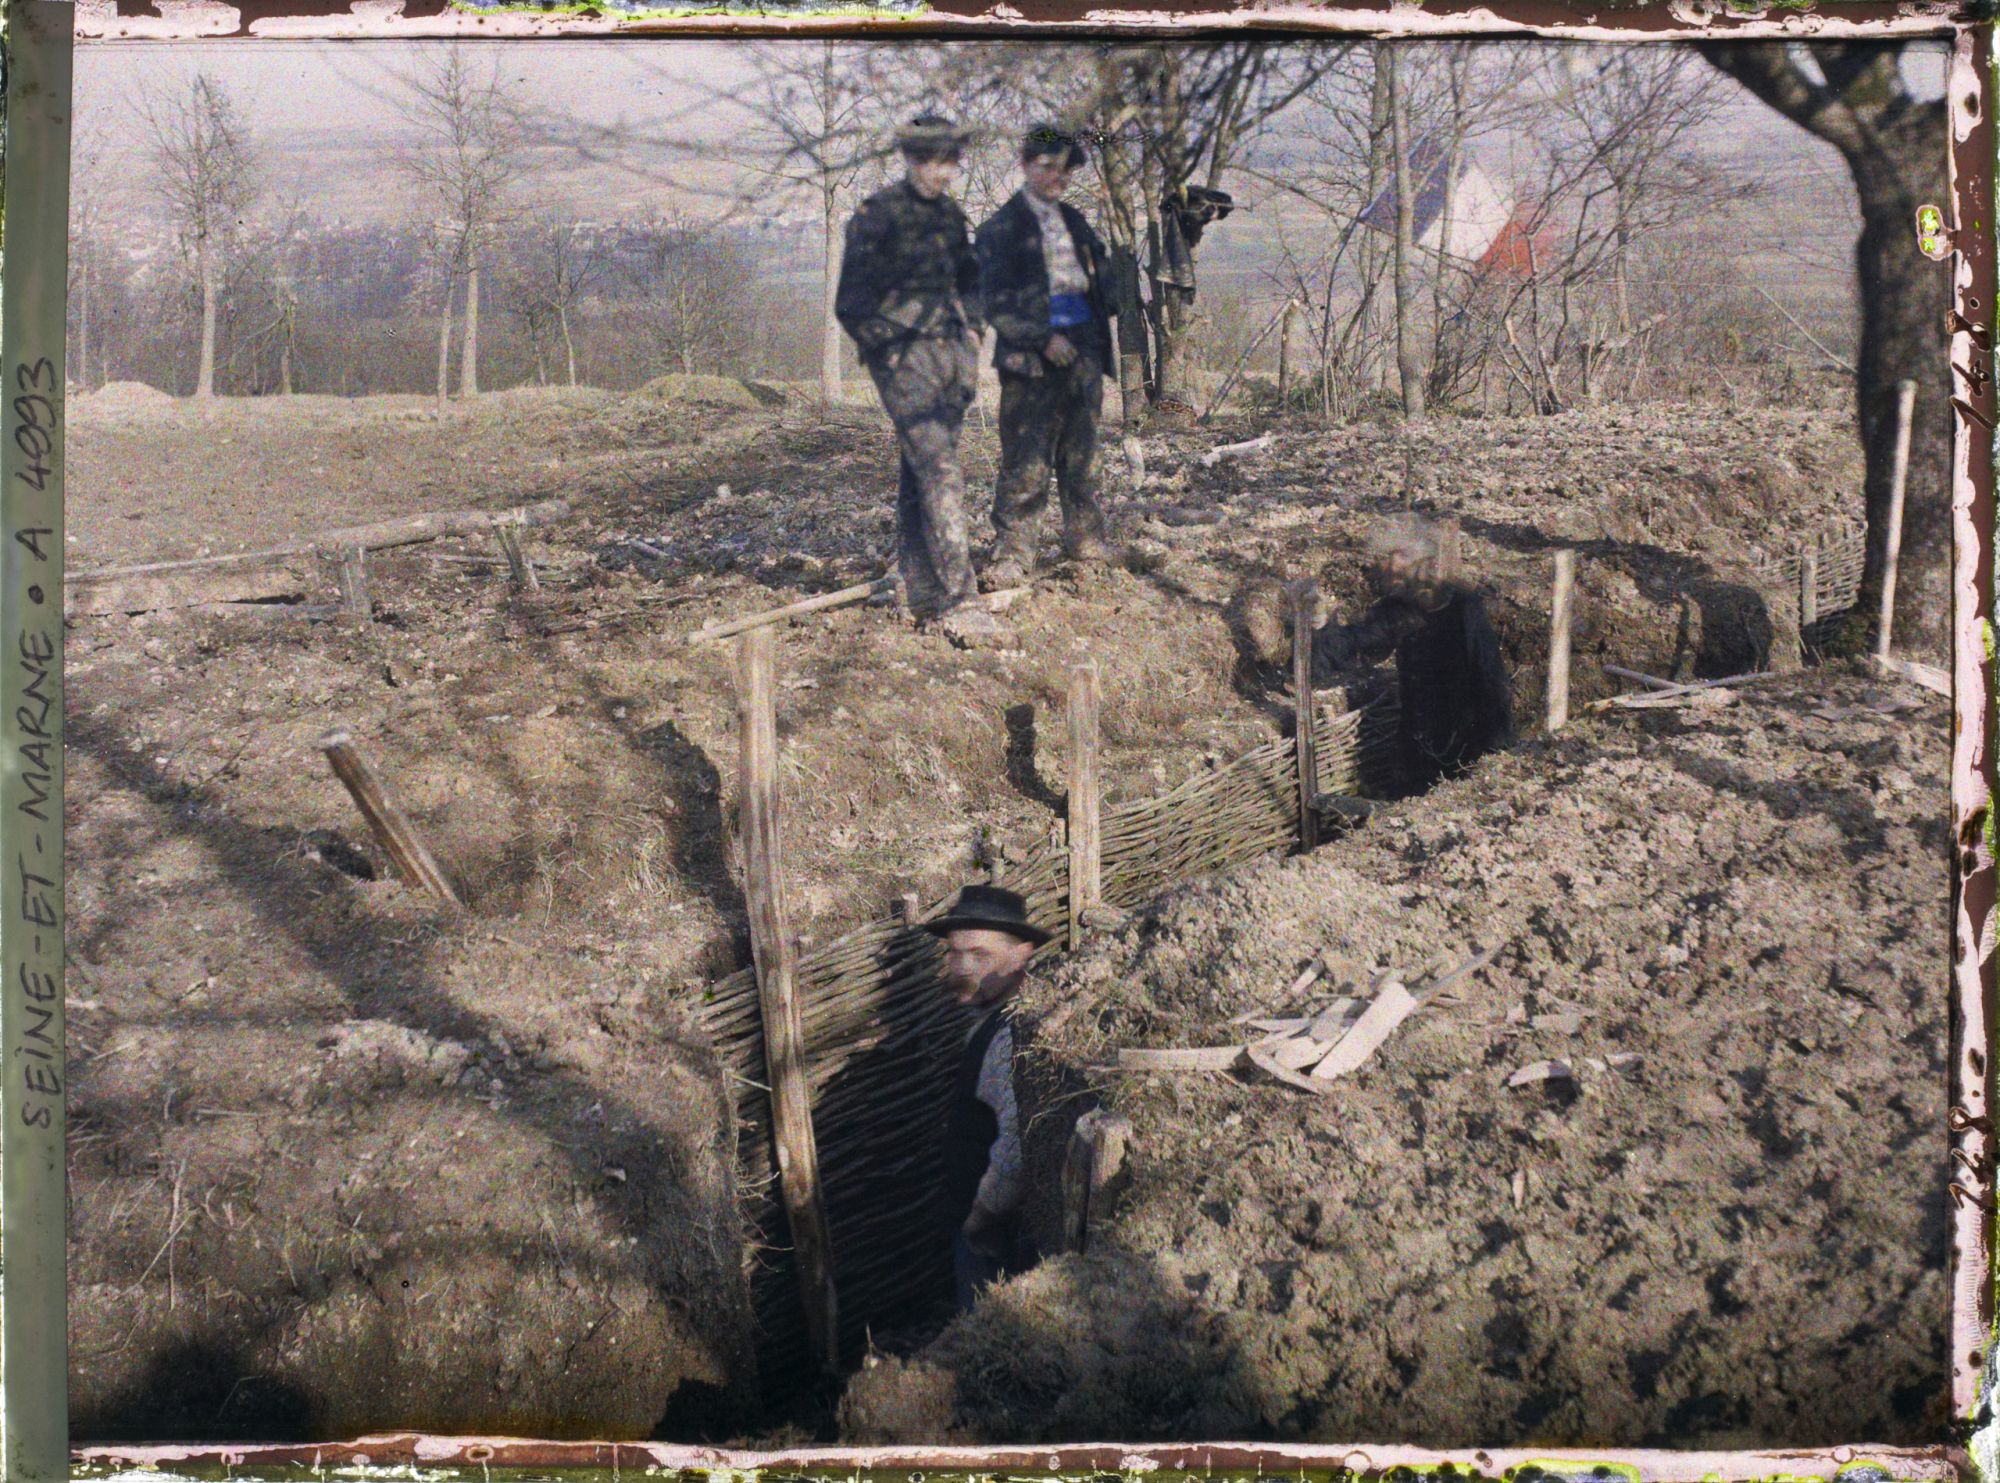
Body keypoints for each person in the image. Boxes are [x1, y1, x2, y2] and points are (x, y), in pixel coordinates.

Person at [835, 114, 1008, 648]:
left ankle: (916, 581)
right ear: (913, 160)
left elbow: (972, 277)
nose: (949, 174)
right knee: (940, 469)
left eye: (954, 163)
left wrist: (974, 331)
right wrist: (891, 352)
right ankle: (960, 598)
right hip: (904, 363)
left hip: (950, 361)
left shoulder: (950, 216)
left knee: (922, 469)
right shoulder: (877, 216)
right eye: (940, 162)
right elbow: (852, 304)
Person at [975, 125, 1119, 589]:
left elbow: (1103, 288)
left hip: (1083, 353)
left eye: (1066, 169)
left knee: (1083, 456)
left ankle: (1086, 542)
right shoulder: (1000, 229)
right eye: (1048, 167)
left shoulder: (1076, 223)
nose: (1059, 177)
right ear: (1026, 166)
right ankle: (1013, 555)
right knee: (1027, 459)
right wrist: (1040, 337)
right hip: (1030, 361)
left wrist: (1110, 273)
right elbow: (993, 300)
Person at [1314, 515, 1517, 793]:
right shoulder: (1396, 609)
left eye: (1401, 556)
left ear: (1423, 561)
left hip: (1467, 743)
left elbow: (1490, 678)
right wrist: (1316, 627)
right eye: (1389, 557)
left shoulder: (1462, 605)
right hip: (1417, 745)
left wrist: (1497, 748)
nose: (1393, 566)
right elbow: (1356, 643)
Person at [922, 883, 1051, 1311]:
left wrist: (981, 1218)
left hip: (992, 1237)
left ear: (1021, 956)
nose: (962, 967)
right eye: (955, 953)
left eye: (980, 956)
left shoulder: (1011, 1035)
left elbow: (1014, 1143)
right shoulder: (988, 1020)